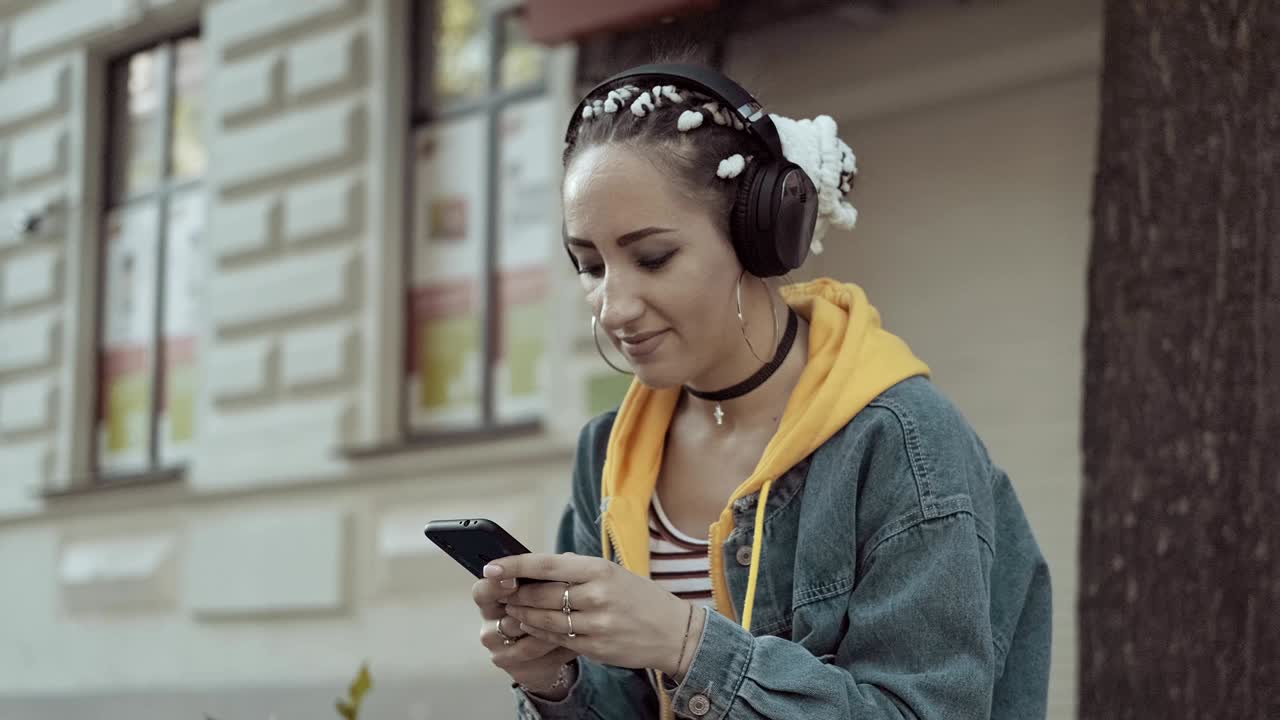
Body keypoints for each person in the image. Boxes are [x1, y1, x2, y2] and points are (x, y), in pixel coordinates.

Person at [470, 60, 1052, 719]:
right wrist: (555, 682)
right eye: (590, 265)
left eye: (652, 258)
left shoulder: (903, 443)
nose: (614, 306)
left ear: (758, 237)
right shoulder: (608, 455)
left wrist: (685, 642)